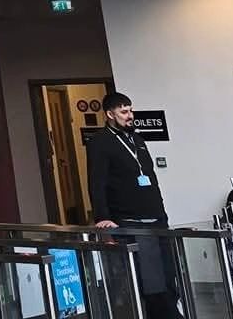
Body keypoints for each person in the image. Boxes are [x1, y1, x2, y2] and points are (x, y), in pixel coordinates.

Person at [87, 93, 175, 318]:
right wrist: (102, 217)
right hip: (130, 220)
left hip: (156, 219)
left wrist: (162, 212)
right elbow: (97, 182)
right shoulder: (100, 142)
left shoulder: (137, 139)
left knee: (168, 276)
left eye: (131, 110)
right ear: (110, 114)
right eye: (124, 112)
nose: (130, 116)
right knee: (150, 281)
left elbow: (151, 177)